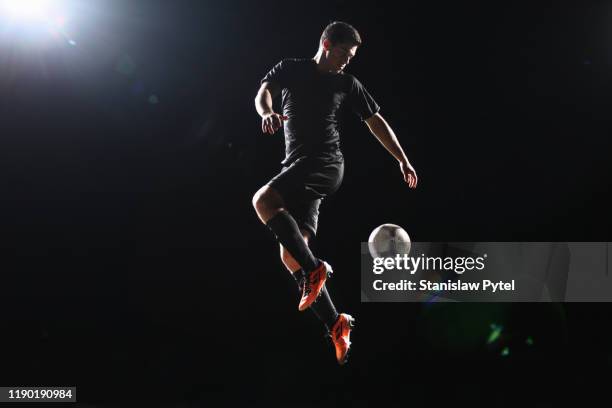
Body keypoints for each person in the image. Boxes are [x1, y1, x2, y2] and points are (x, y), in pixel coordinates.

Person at [252, 21, 418, 365]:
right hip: (297, 168)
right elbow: (262, 92)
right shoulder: (291, 68)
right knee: (291, 256)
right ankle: (336, 324)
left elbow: (376, 121)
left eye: (352, 56)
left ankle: (315, 271)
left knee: (263, 201)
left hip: (325, 163)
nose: (347, 60)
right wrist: (267, 111)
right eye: (344, 52)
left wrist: (402, 158)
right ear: (327, 44)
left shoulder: (347, 83)